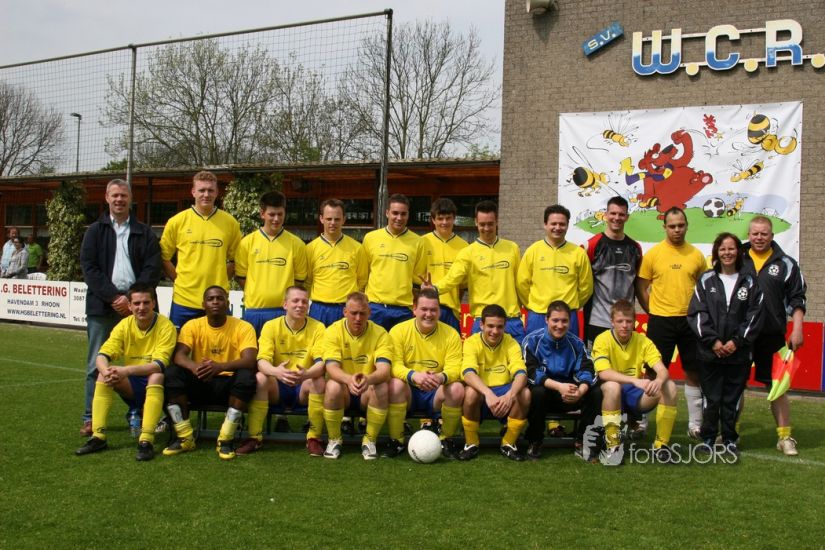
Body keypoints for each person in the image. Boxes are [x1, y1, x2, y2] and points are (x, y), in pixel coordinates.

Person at [79, 179, 161, 437]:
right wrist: (114, 297)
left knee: (144, 363)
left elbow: (152, 267)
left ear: (130, 198)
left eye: (123, 195)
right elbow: (89, 268)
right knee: (96, 364)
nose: (119, 200)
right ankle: (90, 417)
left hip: (138, 307)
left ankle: (140, 411)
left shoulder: (144, 232)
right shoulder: (95, 231)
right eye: (114, 195)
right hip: (102, 306)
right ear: (106, 198)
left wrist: (132, 299)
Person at [75, 283, 177, 461]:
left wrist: (126, 370)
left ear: (154, 303)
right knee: (102, 375)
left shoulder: (165, 326)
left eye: (146, 302)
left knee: (156, 376)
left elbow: (159, 365)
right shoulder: (124, 325)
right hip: (134, 382)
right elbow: (102, 355)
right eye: (136, 303)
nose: (141, 307)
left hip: (164, 386)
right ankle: (98, 437)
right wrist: (106, 371)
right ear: (129, 306)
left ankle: (146, 440)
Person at [688, 233, 762, 456]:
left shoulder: (750, 281)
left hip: (738, 353)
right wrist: (713, 341)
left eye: (731, 249)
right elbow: (697, 313)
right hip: (709, 353)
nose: (727, 253)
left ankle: (730, 439)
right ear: (716, 252)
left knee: (732, 399)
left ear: (739, 251)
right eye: (723, 249)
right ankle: (708, 438)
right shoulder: (706, 279)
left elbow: (755, 315)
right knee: (711, 399)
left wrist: (736, 342)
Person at [162, 286, 258, 460]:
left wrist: (219, 367)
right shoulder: (192, 325)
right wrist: (195, 367)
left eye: (220, 298)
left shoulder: (243, 327)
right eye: (210, 299)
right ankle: (184, 437)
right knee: (172, 373)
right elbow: (179, 355)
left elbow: (250, 360)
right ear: (203, 304)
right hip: (201, 381)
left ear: (227, 303)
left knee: (246, 376)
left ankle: (226, 439)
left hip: (229, 387)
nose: (215, 302)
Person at [635, 206, 707, 439]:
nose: (677, 230)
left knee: (693, 371)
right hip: (661, 322)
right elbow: (641, 287)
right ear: (664, 227)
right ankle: (641, 423)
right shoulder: (653, 254)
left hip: (689, 322)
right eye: (672, 226)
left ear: (687, 226)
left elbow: (705, 288)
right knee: (652, 373)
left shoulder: (696, 255)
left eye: (681, 225)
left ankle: (695, 425)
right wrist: (653, 311)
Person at [742, 216, 807, 456]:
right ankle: (729, 435)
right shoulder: (737, 257)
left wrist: (797, 329)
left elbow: (797, 298)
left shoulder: (787, 263)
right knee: (735, 386)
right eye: (755, 233)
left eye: (764, 234)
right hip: (741, 335)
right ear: (749, 235)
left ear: (771, 235)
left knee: (777, 388)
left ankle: (785, 437)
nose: (759, 238)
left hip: (772, 334)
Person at [238, 286, 327, 457]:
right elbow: (261, 361)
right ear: (285, 304)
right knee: (260, 378)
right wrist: (277, 372)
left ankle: (314, 438)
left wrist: (306, 374)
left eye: (304, 302)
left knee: (319, 380)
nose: (300, 305)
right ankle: (254, 437)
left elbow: (322, 363)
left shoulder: (318, 327)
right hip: (277, 386)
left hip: (303, 386)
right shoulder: (271, 326)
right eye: (295, 301)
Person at [593, 299, 679, 462]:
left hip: (634, 394)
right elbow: (604, 373)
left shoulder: (643, 341)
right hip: (609, 393)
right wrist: (634, 381)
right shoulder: (602, 339)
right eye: (620, 321)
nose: (624, 325)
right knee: (612, 386)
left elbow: (662, 370)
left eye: (628, 321)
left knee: (670, 386)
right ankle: (613, 446)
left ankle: (661, 446)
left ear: (634, 322)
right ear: (612, 322)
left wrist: (659, 381)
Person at [385, 288, 465, 458]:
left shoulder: (451, 334)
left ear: (439, 311)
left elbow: (455, 367)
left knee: (457, 388)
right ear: (414, 309)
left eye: (433, 310)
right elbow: (394, 365)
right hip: (409, 391)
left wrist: (440, 377)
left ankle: (446, 439)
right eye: (424, 309)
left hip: (435, 391)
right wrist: (414, 375)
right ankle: (396, 440)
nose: (429, 314)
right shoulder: (398, 331)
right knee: (395, 384)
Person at [432, 201, 524, 343]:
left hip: (511, 319)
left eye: (490, 224)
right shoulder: (467, 253)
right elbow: (452, 278)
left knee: (519, 358)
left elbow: (520, 282)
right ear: (476, 222)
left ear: (497, 221)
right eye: (482, 224)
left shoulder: (512, 248)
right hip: (483, 321)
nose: (486, 228)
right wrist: (434, 289)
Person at [160, 170, 241, 329]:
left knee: (221, 345)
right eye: (202, 190)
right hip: (184, 301)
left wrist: (221, 280)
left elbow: (236, 260)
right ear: (193, 192)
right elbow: (164, 257)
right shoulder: (177, 221)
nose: (206, 194)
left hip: (217, 301)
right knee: (179, 344)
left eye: (210, 190)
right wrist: (179, 279)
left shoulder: (230, 223)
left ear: (217, 192)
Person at [522, 300, 601, 460]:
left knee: (597, 392)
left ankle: (583, 441)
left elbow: (587, 369)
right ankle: (535, 441)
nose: (560, 325)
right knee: (536, 392)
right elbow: (531, 372)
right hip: (546, 394)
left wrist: (580, 391)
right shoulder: (532, 341)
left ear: (570, 322)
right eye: (555, 320)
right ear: (546, 320)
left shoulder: (577, 343)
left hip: (570, 394)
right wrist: (559, 386)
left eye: (564, 321)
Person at [321, 292, 392, 460]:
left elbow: (384, 370)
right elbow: (331, 367)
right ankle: (334, 439)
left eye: (362, 313)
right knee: (332, 386)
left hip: (367, 391)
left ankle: (370, 440)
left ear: (370, 313)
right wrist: (348, 380)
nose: (358, 318)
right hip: (344, 391)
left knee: (382, 386)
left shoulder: (381, 333)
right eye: (353, 313)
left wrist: (368, 379)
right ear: (345, 312)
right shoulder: (333, 331)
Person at [459, 304, 531, 461]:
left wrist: (510, 395)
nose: (495, 331)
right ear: (481, 325)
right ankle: (471, 443)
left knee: (525, 394)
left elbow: (521, 374)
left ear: (505, 326)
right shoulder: (471, 342)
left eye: (499, 327)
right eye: (490, 326)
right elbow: (468, 373)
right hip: (482, 394)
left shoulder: (511, 343)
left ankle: (508, 443)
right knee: (470, 392)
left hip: (504, 394)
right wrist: (488, 393)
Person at [235, 191, 308, 335]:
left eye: (280, 214)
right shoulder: (247, 243)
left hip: (284, 312)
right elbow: (241, 277)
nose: (276, 219)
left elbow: (299, 281)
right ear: (262, 213)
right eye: (272, 214)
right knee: (252, 350)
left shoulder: (297, 244)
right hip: (255, 312)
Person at [518, 204, 593, 339]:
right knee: (534, 352)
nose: (557, 228)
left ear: (567, 226)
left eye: (562, 224)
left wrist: (571, 306)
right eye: (553, 224)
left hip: (567, 317)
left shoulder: (578, 253)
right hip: (538, 315)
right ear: (545, 224)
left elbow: (586, 287)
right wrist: (533, 305)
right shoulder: (533, 251)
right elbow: (522, 284)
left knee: (568, 352)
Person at [360, 193, 429, 331]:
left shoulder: (418, 242)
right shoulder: (370, 238)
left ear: (408, 215)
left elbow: (417, 281)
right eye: (395, 213)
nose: (399, 218)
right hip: (375, 307)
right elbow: (363, 275)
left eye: (403, 214)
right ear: (387, 213)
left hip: (403, 309)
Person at [583, 196, 643, 348]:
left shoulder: (635, 248)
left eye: (621, 214)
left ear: (627, 217)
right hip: (597, 321)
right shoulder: (591, 245)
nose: (617, 218)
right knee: (595, 363)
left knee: (625, 362)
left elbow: (638, 285)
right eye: (613, 213)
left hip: (625, 323)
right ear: (605, 215)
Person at [305, 199, 368, 326]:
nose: (333, 223)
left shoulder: (357, 248)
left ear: (344, 219)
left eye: (337, 219)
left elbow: (362, 280)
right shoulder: (310, 249)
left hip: (346, 309)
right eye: (329, 219)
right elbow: (308, 281)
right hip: (319, 309)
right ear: (321, 219)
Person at [422, 198, 469, 333]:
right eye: (440, 218)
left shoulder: (464, 247)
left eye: (448, 218)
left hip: (450, 311)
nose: (444, 222)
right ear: (433, 220)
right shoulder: (422, 242)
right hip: (426, 309)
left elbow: (462, 286)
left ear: (454, 219)